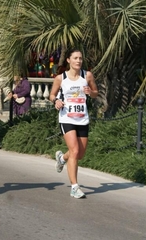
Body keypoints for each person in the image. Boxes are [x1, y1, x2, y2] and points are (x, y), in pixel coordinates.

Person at [49, 48, 98, 199]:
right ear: (69, 60)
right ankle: (75, 187)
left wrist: (90, 92)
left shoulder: (87, 75)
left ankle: (62, 158)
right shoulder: (60, 78)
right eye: (75, 58)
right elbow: (51, 94)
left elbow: (96, 92)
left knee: (80, 154)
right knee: (75, 150)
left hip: (82, 118)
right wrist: (56, 101)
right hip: (67, 118)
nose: (78, 61)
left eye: (80, 58)